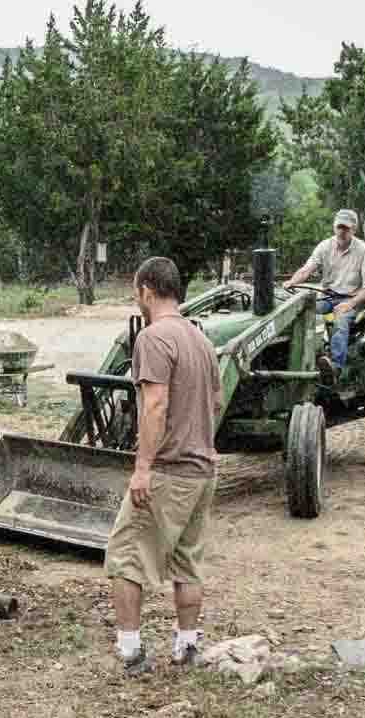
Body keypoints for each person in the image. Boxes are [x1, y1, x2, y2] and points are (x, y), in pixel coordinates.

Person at [104, 257, 223, 673]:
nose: (137, 300)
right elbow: (216, 403)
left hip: (168, 472)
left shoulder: (153, 339)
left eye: (137, 293)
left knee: (126, 555)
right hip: (203, 471)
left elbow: (154, 406)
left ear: (147, 291)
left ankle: (131, 651)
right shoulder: (202, 341)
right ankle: (187, 645)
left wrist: (142, 469)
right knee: (187, 563)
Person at [283, 208, 365, 383]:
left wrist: (350, 304)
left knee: (340, 319)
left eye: (346, 228)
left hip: (352, 299)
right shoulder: (325, 246)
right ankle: (303, 358)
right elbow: (307, 269)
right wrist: (292, 281)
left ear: (354, 229)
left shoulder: (363, 251)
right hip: (327, 296)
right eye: (339, 227)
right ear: (334, 227)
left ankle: (335, 368)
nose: (342, 232)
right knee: (303, 311)